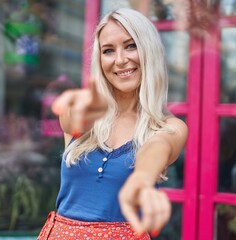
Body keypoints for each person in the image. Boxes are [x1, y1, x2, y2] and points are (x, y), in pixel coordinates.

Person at [37, 8, 188, 240]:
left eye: (130, 46)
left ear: (149, 50)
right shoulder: (83, 114)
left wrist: (143, 176)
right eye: (108, 51)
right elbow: (70, 116)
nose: (120, 60)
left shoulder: (170, 127)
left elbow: (159, 147)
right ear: (99, 60)